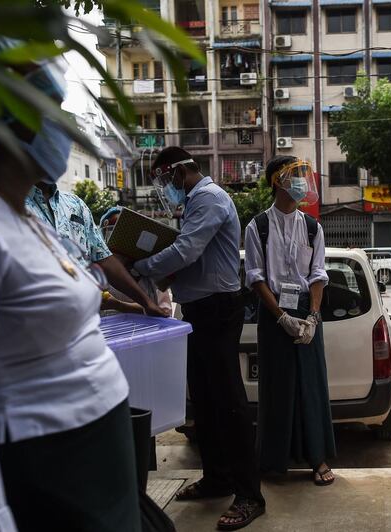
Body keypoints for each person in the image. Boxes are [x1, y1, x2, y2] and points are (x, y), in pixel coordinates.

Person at [0, 48, 140, 531]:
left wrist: (142, 299)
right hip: (49, 465)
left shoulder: (22, 214)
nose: (65, 126)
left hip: (94, 458)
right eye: (51, 109)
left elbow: (90, 278)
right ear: (7, 116)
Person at [133, 146, 264, 530]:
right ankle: (218, 478)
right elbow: (190, 255)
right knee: (204, 403)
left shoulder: (209, 198)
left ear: (177, 172)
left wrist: (141, 266)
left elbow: (187, 250)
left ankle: (250, 495)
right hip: (199, 310)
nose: (162, 187)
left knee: (228, 402)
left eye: (162, 179)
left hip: (218, 310)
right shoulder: (194, 203)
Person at [244, 155, 336, 486]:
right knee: (276, 386)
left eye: (303, 176)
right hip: (273, 315)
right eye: (294, 176)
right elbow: (256, 277)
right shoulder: (258, 226)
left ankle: (318, 458)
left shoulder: (313, 226)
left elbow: (318, 274)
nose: (301, 183)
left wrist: (312, 316)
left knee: (311, 385)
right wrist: (281, 317)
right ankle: (273, 460)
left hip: (306, 310)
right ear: (276, 181)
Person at [26, 182, 167, 317]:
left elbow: (103, 257)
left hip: (84, 321)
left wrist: (147, 303)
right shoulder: (10, 205)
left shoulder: (75, 204)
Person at [99, 206, 173, 316]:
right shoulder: (99, 271)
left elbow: (164, 311)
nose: (117, 236)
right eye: (111, 229)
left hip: (148, 331)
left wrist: (119, 305)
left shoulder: (149, 268)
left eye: (122, 230)